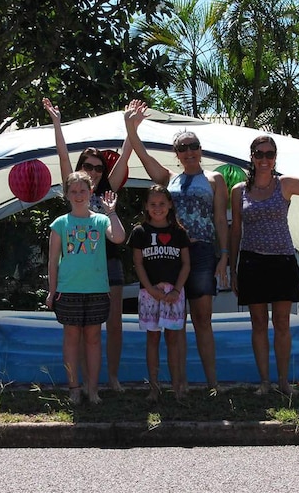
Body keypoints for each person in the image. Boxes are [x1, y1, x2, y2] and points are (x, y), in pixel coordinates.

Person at [123, 103, 230, 395]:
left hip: (203, 253)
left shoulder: (215, 179)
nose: (189, 152)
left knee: (203, 320)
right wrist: (131, 127)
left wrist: (224, 256)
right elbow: (143, 157)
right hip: (171, 256)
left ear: (200, 148)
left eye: (193, 146)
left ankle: (212, 384)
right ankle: (178, 385)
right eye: (183, 148)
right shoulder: (170, 179)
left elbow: (221, 218)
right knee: (176, 324)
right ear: (177, 154)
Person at [229, 132, 299, 396]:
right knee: (258, 323)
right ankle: (265, 382)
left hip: (282, 261)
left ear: (275, 159)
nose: (264, 159)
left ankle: (283, 382)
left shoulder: (285, 184)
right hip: (252, 262)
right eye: (259, 154)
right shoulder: (239, 191)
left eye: (270, 154)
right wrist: (233, 268)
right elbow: (235, 231)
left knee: (282, 323)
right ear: (252, 158)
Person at [44, 97, 132, 392]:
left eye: (97, 167)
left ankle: (113, 378)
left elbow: (125, 157)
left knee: (112, 324)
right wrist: (57, 123)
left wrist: (131, 127)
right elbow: (61, 154)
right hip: (77, 269)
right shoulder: (75, 186)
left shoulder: (107, 189)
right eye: (87, 166)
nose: (93, 170)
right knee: (78, 331)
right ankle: (81, 383)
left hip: (108, 262)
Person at [46, 171, 126, 405]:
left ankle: (93, 389)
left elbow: (119, 237)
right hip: (68, 290)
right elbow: (52, 261)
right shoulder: (60, 223)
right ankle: (74, 388)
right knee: (71, 339)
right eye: (74, 191)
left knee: (93, 339)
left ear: (91, 192)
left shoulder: (101, 221)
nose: (78, 195)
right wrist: (52, 291)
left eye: (83, 190)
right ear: (67, 195)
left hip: (97, 290)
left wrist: (111, 211)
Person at [126, 184, 191, 401]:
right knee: (152, 339)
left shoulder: (179, 232)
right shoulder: (140, 232)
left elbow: (186, 264)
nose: (157, 208)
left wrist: (178, 290)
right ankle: (154, 388)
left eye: (162, 203)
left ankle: (176, 386)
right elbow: (138, 263)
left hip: (174, 293)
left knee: (173, 339)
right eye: (153, 204)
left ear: (170, 205)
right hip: (149, 294)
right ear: (146, 206)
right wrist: (150, 289)